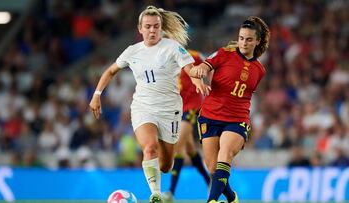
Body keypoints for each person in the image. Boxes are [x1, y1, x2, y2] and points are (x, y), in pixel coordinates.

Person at [89, 5, 209, 203]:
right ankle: (155, 193)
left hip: (170, 110)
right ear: (140, 29)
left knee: (165, 165)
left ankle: (166, 179)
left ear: (161, 27)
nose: (152, 30)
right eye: (148, 26)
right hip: (143, 107)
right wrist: (97, 94)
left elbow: (190, 69)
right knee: (149, 147)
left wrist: (198, 81)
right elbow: (110, 71)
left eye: (156, 26)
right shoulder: (132, 51)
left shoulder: (172, 47)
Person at [189, 16, 270, 203]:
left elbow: (245, 94)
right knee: (212, 167)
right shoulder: (224, 54)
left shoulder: (259, 70)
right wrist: (200, 71)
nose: (244, 42)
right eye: (241, 38)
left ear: (257, 41)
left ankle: (212, 200)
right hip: (210, 116)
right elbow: (201, 66)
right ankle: (232, 197)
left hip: (237, 119)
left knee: (225, 152)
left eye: (249, 39)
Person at [163, 50, 211, 202]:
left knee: (178, 145)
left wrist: (207, 84)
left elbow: (208, 66)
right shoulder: (164, 61)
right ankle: (209, 179)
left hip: (192, 106)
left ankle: (170, 192)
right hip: (178, 108)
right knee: (189, 148)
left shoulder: (192, 55)